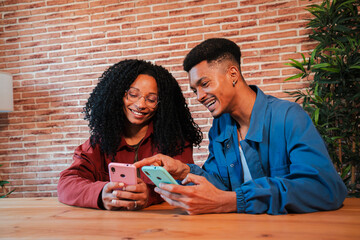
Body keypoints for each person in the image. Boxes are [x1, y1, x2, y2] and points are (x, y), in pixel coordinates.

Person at [135, 38, 348, 215]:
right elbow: (218, 184)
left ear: (233, 74)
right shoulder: (219, 127)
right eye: (194, 90)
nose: (199, 96)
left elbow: (324, 188)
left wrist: (234, 201)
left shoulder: (289, 117)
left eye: (205, 84)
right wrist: (183, 171)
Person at [57, 59, 202, 211]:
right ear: (118, 94)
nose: (140, 105)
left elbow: (186, 184)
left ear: (162, 105)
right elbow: (66, 183)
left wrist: (150, 195)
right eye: (133, 94)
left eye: (151, 99)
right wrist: (101, 193)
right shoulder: (99, 142)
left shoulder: (175, 141)